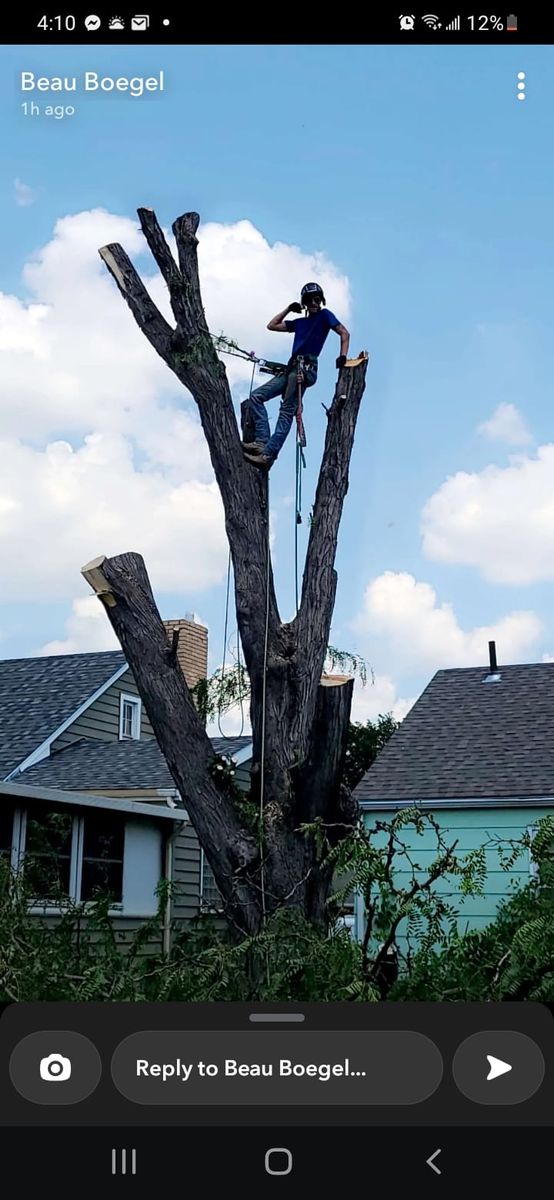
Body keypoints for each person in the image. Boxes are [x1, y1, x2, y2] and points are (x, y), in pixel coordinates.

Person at [242, 282, 350, 469]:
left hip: (304, 368)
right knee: (256, 397)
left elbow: (344, 333)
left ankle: (268, 454)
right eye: (310, 300)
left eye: (317, 299)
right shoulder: (300, 323)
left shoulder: (325, 316)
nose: (314, 303)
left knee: (286, 412)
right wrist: (288, 309)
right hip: (291, 367)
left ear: (321, 300)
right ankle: (262, 441)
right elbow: (272, 325)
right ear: (305, 303)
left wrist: (342, 356)